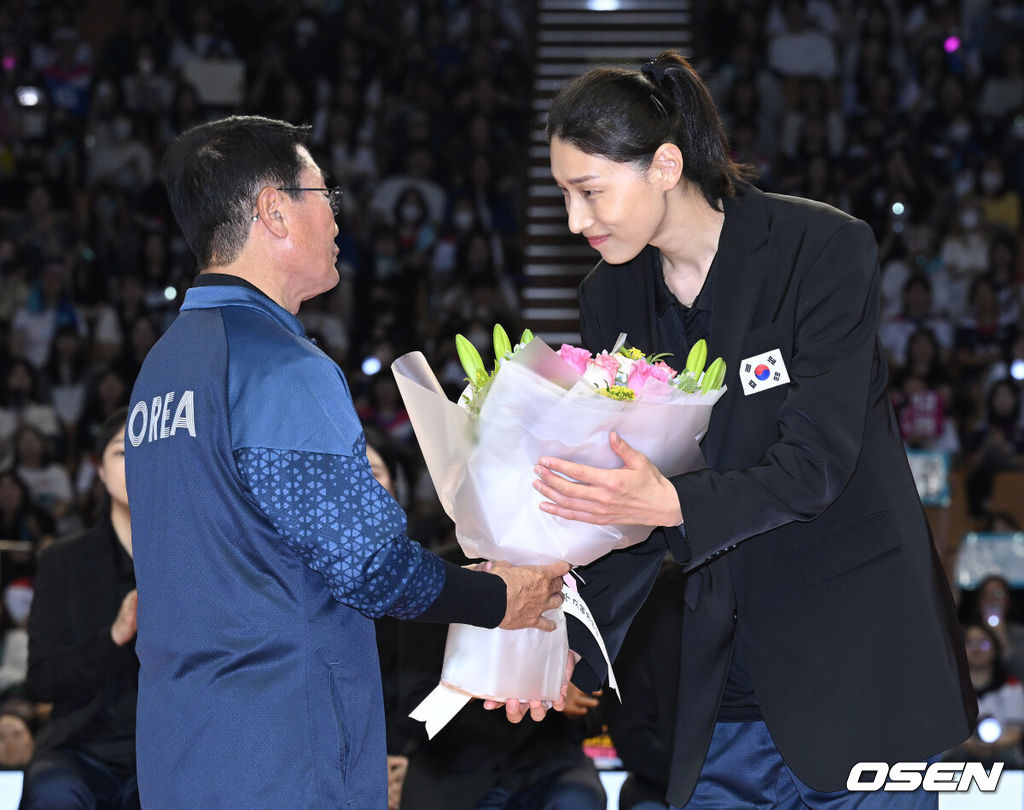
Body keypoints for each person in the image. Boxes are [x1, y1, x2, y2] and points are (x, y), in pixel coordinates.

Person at [521, 50, 976, 808]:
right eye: (564, 195)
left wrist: (664, 503)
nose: (576, 221)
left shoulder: (821, 250)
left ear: (665, 165)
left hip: (859, 670)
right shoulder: (612, 295)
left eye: (590, 192)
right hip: (725, 680)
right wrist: (567, 643)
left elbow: (813, 467)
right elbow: (630, 495)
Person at [123, 115, 569, 809]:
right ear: (274, 210)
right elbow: (370, 566)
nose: (336, 217)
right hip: (283, 750)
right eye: (323, 194)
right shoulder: (277, 366)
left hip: (180, 745)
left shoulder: (161, 366)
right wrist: (498, 598)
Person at [21, 407, 140, 810]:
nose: (138, 463)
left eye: (148, 451)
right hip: (78, 751)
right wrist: (113, 638)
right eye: (123, 452)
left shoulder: (194, 560)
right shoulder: (63, 561)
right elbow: (41, 680)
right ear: (100, 471)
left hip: (168, 750)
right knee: (54, 794)